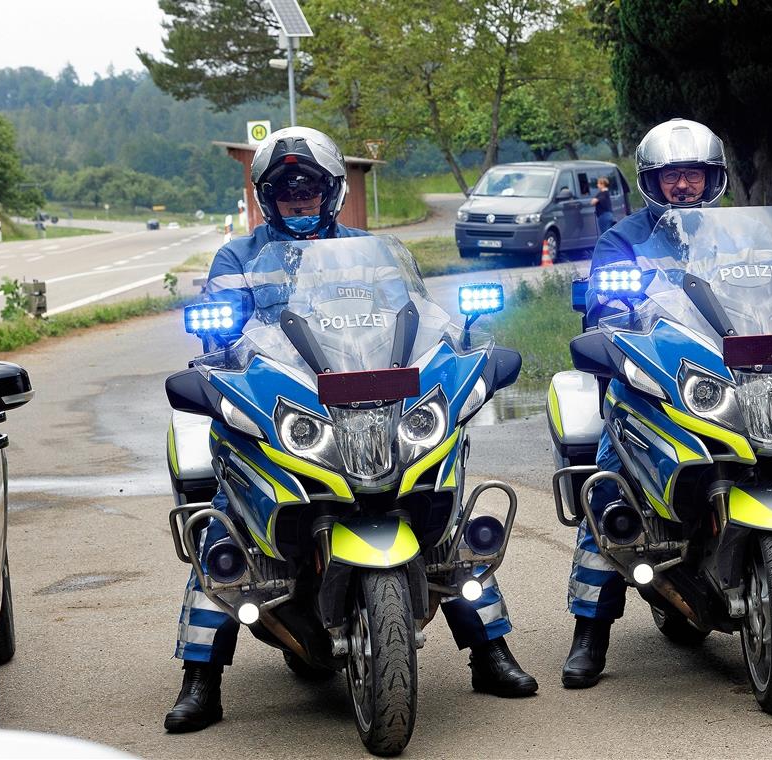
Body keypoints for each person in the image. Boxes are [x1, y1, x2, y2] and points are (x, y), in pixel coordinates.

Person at [166, 127, 538, 734]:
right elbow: (223, 339)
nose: (298, 198)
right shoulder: (238, 257)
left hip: (370, 405)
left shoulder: (373, 251)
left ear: (331, 190)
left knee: (448, 523)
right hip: (286, 406)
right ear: (266, 194)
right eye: (284, 188)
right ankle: (200, 680)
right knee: (226, 530)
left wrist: (454, 349)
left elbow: (417, 321)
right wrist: (217, 359)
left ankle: (491, 653)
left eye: (308, 185)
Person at [565, 118, 772, 690]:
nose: (683, 186)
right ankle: (589, 635)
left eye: (693, 174)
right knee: (610, 488)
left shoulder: (749, 232)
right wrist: (609, 313)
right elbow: (603, 304)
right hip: (660, 383)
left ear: (714, 177)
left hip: (744, 378)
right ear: (651, 181)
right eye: (672, 176)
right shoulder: (625, 239)